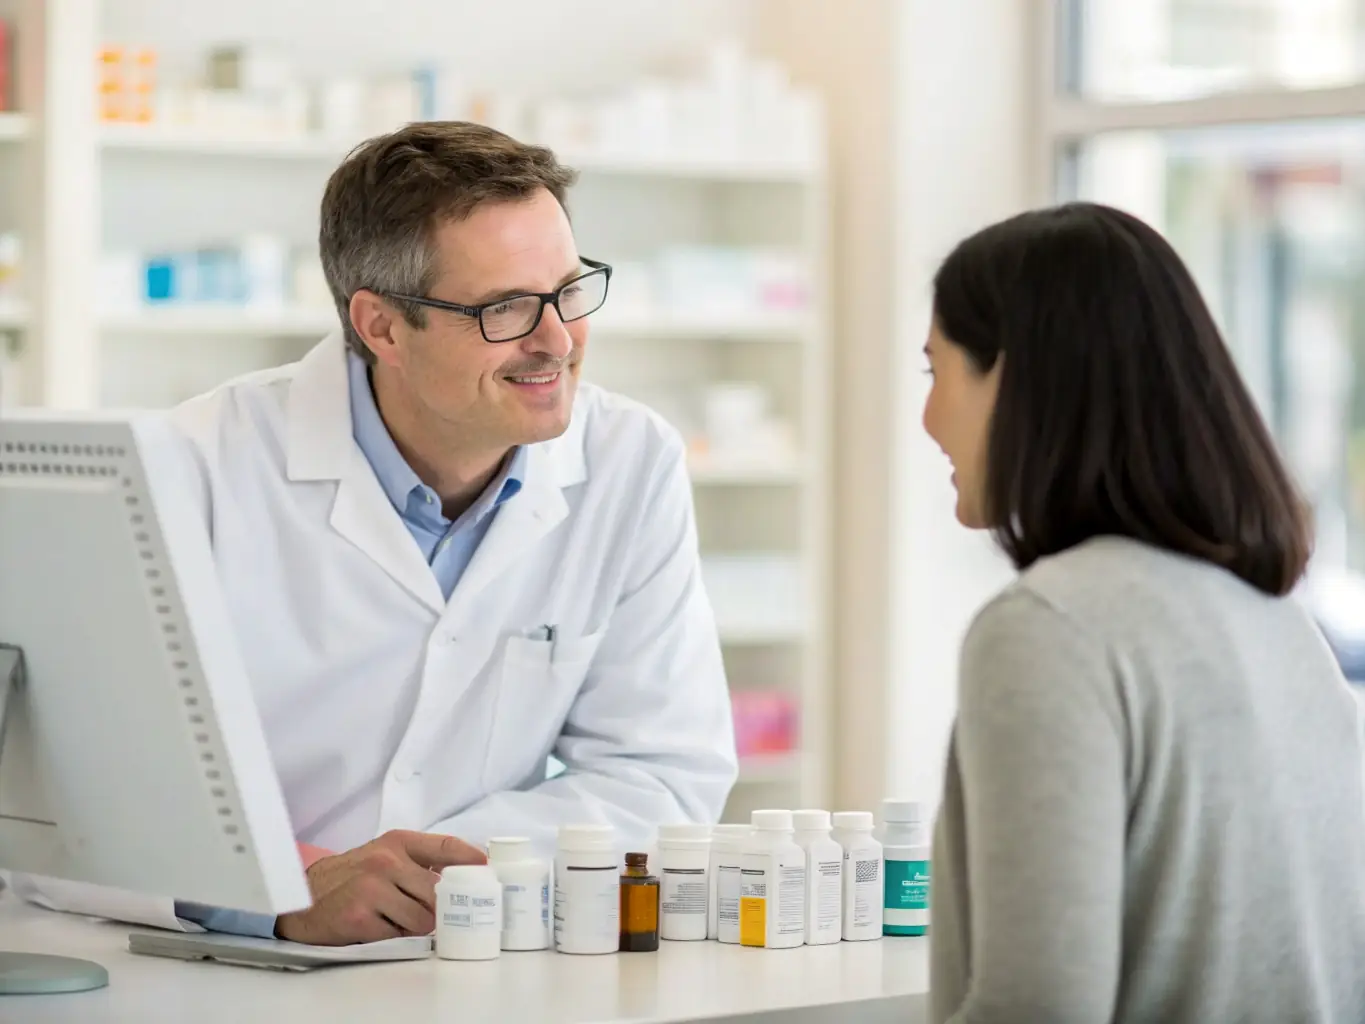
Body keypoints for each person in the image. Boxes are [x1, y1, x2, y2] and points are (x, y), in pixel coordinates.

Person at [19, 121, 737, 946]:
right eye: (505, 308)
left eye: (570, 292)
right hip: (213, 971)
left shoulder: (628, 460)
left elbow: (660, 772)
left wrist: (443, 879)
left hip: (475, 958)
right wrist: (283, 891)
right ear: (382, 326)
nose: (556, 340)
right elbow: (57, 806)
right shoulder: (191, 469)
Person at [922, 202, 1365, 1022]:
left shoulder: (1047, 630)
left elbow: (1038, 1007)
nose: (928, 421)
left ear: (1011, 380)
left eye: (934, 372)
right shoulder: (1275, 625)